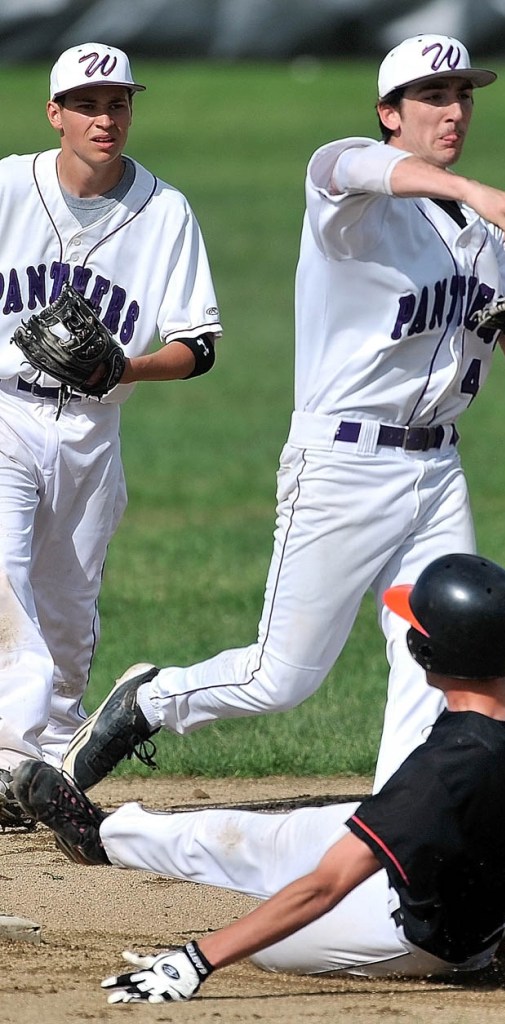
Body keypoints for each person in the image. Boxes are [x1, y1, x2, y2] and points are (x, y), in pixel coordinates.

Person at [61, 33, 505, 798]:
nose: (452, 111)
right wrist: (473, 190)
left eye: (462, 96)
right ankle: (149, 701)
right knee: (279, 677)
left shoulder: (481, 236)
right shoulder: (346, 192)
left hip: (437, 469)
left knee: (436, 657)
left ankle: (400, 839)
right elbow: (352, 165)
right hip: (342, 466)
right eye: (431, 97)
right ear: (389, 114)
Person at [13, 554, 505, 1002]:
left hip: (420, 937)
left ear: (433, 653)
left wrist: (195, 961)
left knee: (273, 932)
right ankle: (103, 838)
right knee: (255, 840)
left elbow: (324, 888)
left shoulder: (445, 769)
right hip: (447, 873)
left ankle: (500, 941)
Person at [0, 42, 221, 829]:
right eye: (88, 105)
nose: (105, 118)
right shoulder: (7, 186)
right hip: (5, 416)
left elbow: (199, 346)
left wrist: (123, 367)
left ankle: (49, 767)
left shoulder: (164, 211)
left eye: (118, 103)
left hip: (94, 430)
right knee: (6, 576)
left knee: (65, 609)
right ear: (54, 113)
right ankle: (7, 760)